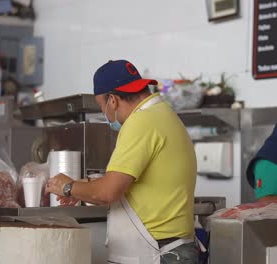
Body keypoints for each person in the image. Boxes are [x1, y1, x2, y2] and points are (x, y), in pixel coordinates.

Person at [46, 60, 199, 264]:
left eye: (102, 107)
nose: (106, 116)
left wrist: (67, 187)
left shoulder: (140, 123)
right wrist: (81, 188)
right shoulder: (163, 115)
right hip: (170, 249)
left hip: (157, 253)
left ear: (113, 100)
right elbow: (131, 182)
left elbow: (108, 192)